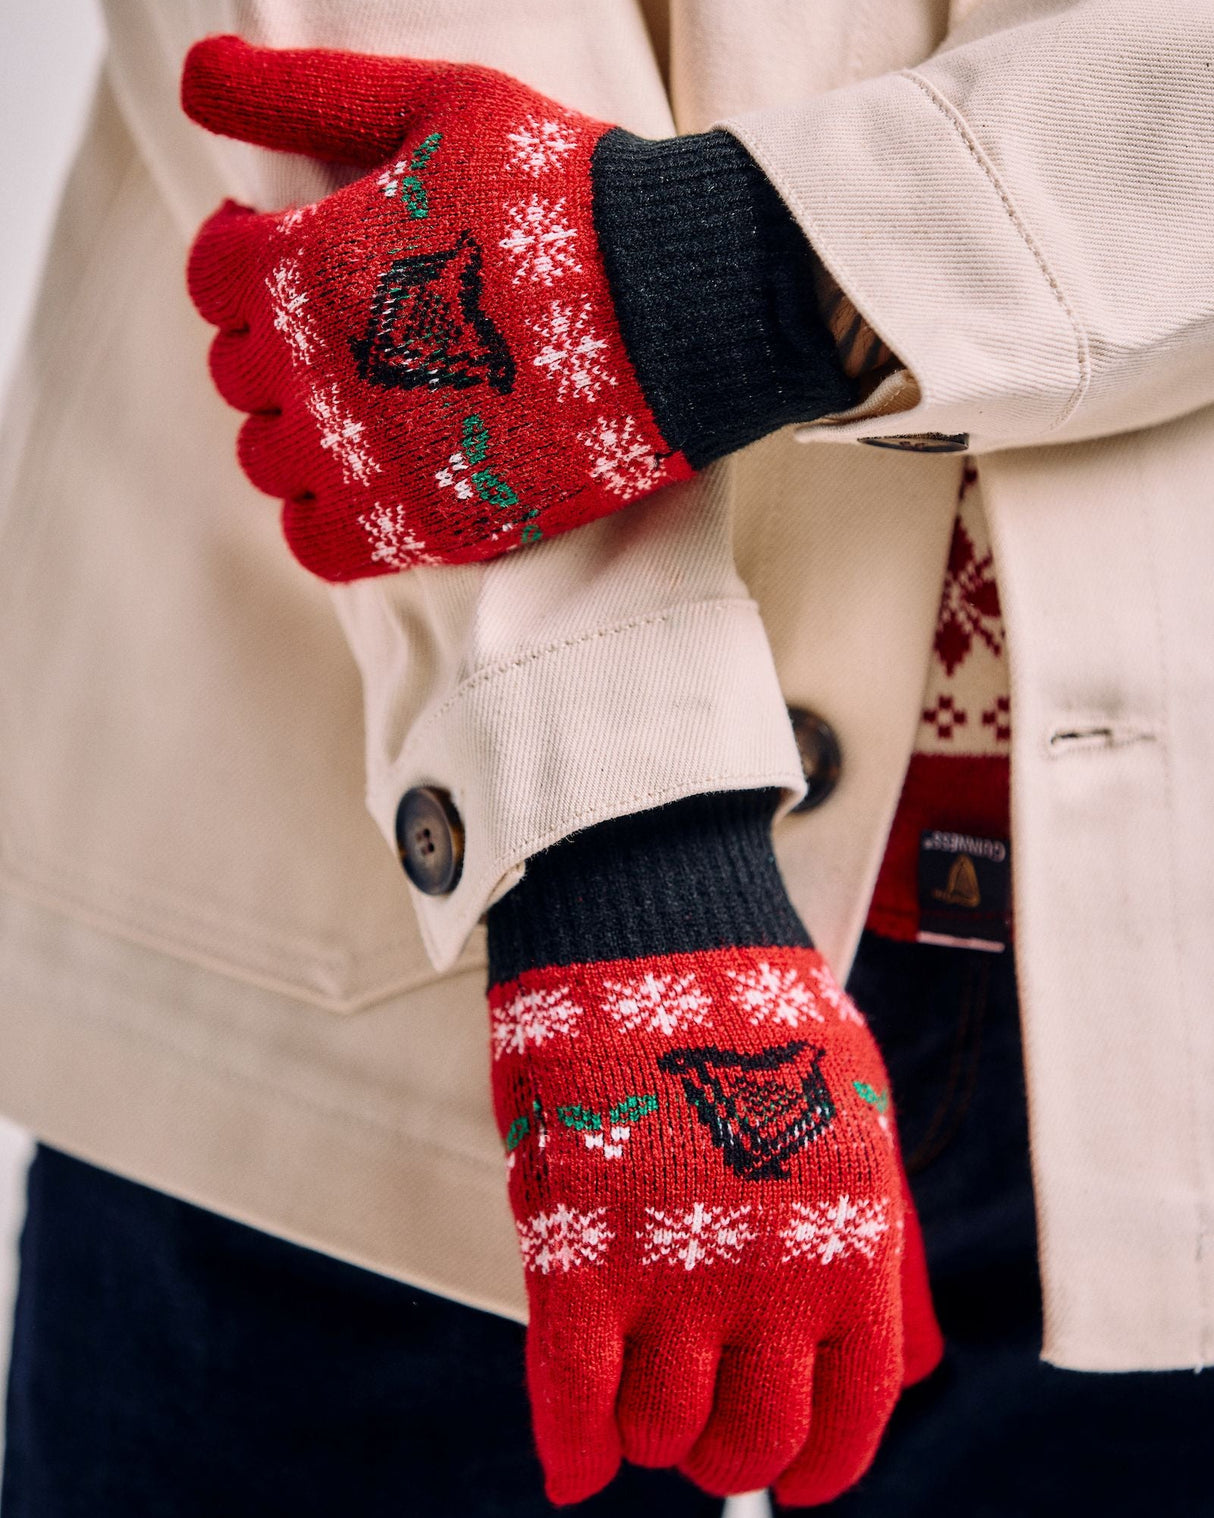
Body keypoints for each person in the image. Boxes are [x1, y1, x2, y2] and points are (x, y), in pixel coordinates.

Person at [1, 2, 1212, 1514]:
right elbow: (383, 105)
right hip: (388, 934)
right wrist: (614, 822)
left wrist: (735, 268)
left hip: (1160, 986)